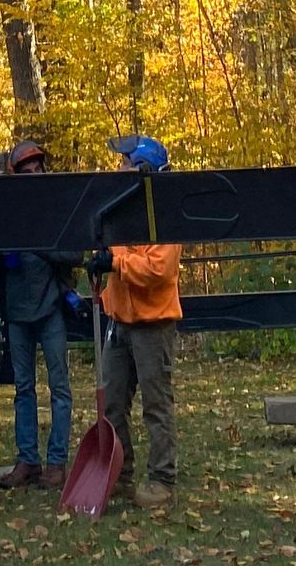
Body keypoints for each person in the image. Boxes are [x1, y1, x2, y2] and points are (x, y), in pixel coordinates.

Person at [97, 135, 181, 506]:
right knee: (113, 403)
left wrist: (114, 263)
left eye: (125, 163)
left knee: (156, 405)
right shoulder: (117, 211)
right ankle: (121, 474)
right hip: (120, 323)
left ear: (142, 170)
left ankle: (162, 480)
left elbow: (159, 270)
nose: (119, 169)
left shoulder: (165, 215)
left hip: (153, 324)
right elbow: (110, 254)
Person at [0, 138, 75, 489]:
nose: (33, 175)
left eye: (37, 169)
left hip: (50, 311)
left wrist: (40, 248)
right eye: (25, 170)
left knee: (59, 388)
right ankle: (27, 460)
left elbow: (74, 254)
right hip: (16, 312)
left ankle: (56, 463)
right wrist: (4, 254)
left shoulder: (56, 208)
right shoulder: (4, 213)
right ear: (14, 175)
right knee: (23, 390)